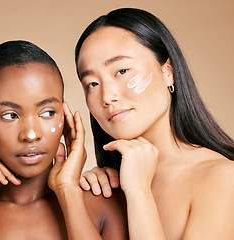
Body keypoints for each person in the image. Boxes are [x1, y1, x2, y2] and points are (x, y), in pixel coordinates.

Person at [0, 40, 128, 240]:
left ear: (64, 117)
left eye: (48, 112)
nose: (31, 135)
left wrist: (68, 192)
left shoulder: (106, 204)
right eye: (10, 115)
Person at [74, 8, 234, 239]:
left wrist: (139, 192)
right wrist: (71, 192)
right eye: (92, 84)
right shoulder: (109, 186)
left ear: (168, 72)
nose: (107, 96)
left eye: (122, 70)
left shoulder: (222, 180)